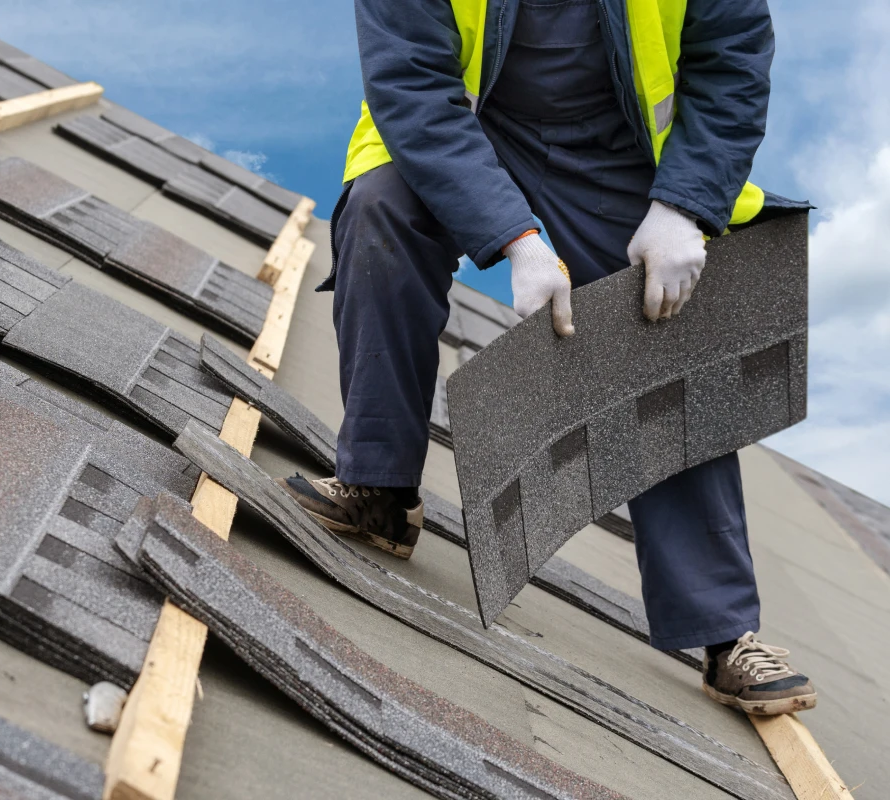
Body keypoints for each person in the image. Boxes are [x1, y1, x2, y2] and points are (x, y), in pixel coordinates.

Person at [280, 0, 816, 715]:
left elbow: (733, 63)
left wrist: (685, 207)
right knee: (380, 214)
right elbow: (410, 84)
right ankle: (377, 489)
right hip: (466, 133)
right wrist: (515, 238)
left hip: (616, 155)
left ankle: (724, 633)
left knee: (665, 316)